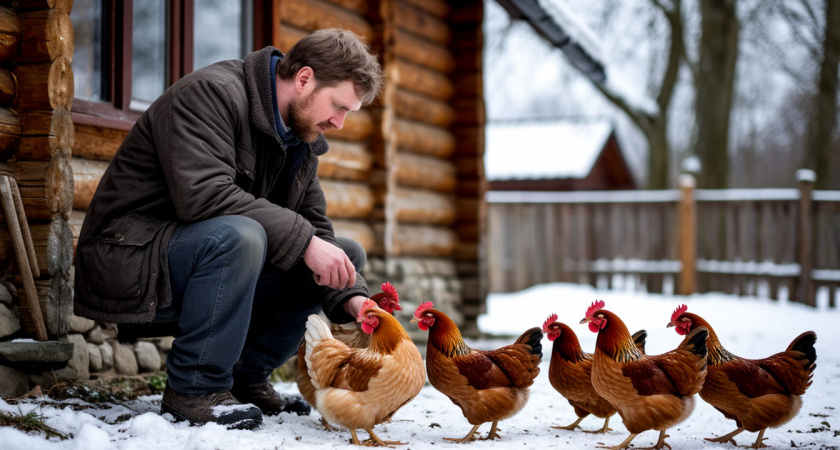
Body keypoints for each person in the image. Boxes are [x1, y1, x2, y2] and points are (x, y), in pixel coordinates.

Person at [73, 29, 384, 430]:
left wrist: (353, 296)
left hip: (202, 258)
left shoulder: (299, 137)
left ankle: (244, 379)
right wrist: (305, 242)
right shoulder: (210, 94)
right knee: (243, 237)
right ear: (304, 79)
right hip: (128, 257)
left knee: (344, 255)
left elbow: (315, 225)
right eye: (338, 106)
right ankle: (195, 390)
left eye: (348, 113)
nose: (339, 123)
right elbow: (201, 196)